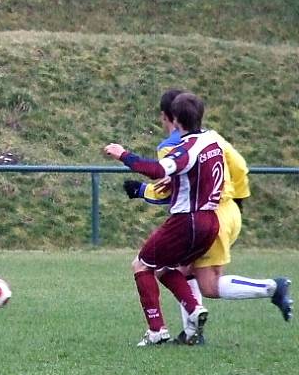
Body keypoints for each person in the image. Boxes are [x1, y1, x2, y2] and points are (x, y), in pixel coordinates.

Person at [123, 90, 293, 342]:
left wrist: (140, 190)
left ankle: (271, 287)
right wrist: (238, 201)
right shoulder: (212, 138)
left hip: (206, 215)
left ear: (168, 117)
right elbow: (240, 167)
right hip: (229, 209)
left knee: (206, 283)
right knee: (178, 268)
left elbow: (172, 191)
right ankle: (192, 327)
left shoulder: (174, 147)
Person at [104, 92, 224, 347]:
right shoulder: (213, 140)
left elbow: (157, 170)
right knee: (165, 268)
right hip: (211, 221)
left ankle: (157, 330)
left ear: (175, 119)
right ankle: (194, 309)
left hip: (186, 221)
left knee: (140, 265)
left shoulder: (186, 151)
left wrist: (123, 154)